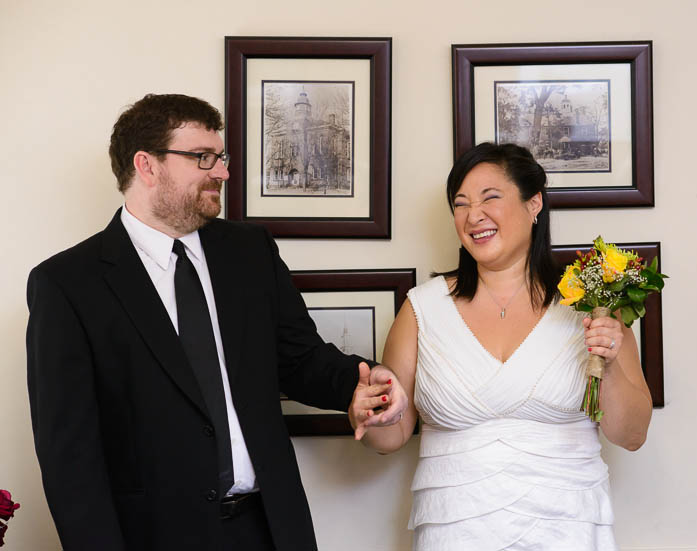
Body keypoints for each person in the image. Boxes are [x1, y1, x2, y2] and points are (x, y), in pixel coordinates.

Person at [26, 93, 406, 551]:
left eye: (220, 157)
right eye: (202, 158)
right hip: (152, 538)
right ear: (146, 165)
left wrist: (361, 382)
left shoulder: (250, 251)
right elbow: (70, 458)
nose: (223, 172)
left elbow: (300, 359)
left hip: (269, 530)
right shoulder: (67, 284)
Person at [353, 143, 653, 550]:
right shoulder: (421, 310)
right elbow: (390, 438)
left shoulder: (590, 305)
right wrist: (375, 415)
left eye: (489, 198)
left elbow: (631, 435)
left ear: (534, 205)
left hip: (570, 532)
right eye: (460, 204)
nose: (473, 215)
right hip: (453, 533)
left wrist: (612, 360)